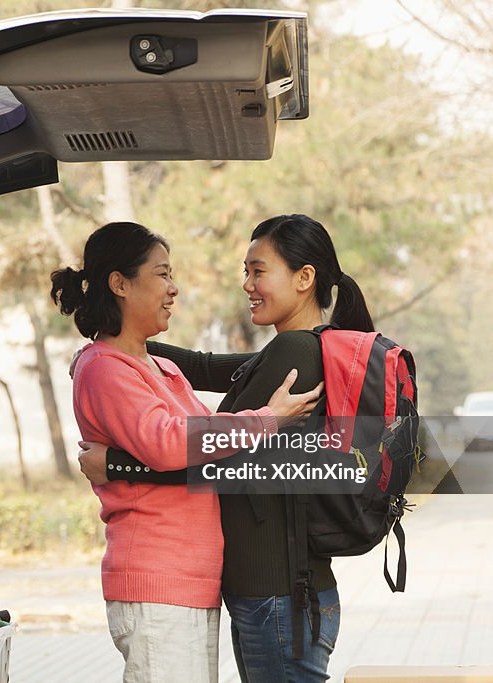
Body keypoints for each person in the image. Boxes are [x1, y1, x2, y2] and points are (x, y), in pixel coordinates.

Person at [78, 214, 376, 683]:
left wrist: (116, 463)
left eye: (259, 271)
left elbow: (224, 461)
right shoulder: (312, 348)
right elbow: (206, 371)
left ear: (304, 278)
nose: (247, 284)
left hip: (275, 585)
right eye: (247, 271)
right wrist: (117, 343)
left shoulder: (293, 355)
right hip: (271, 584)